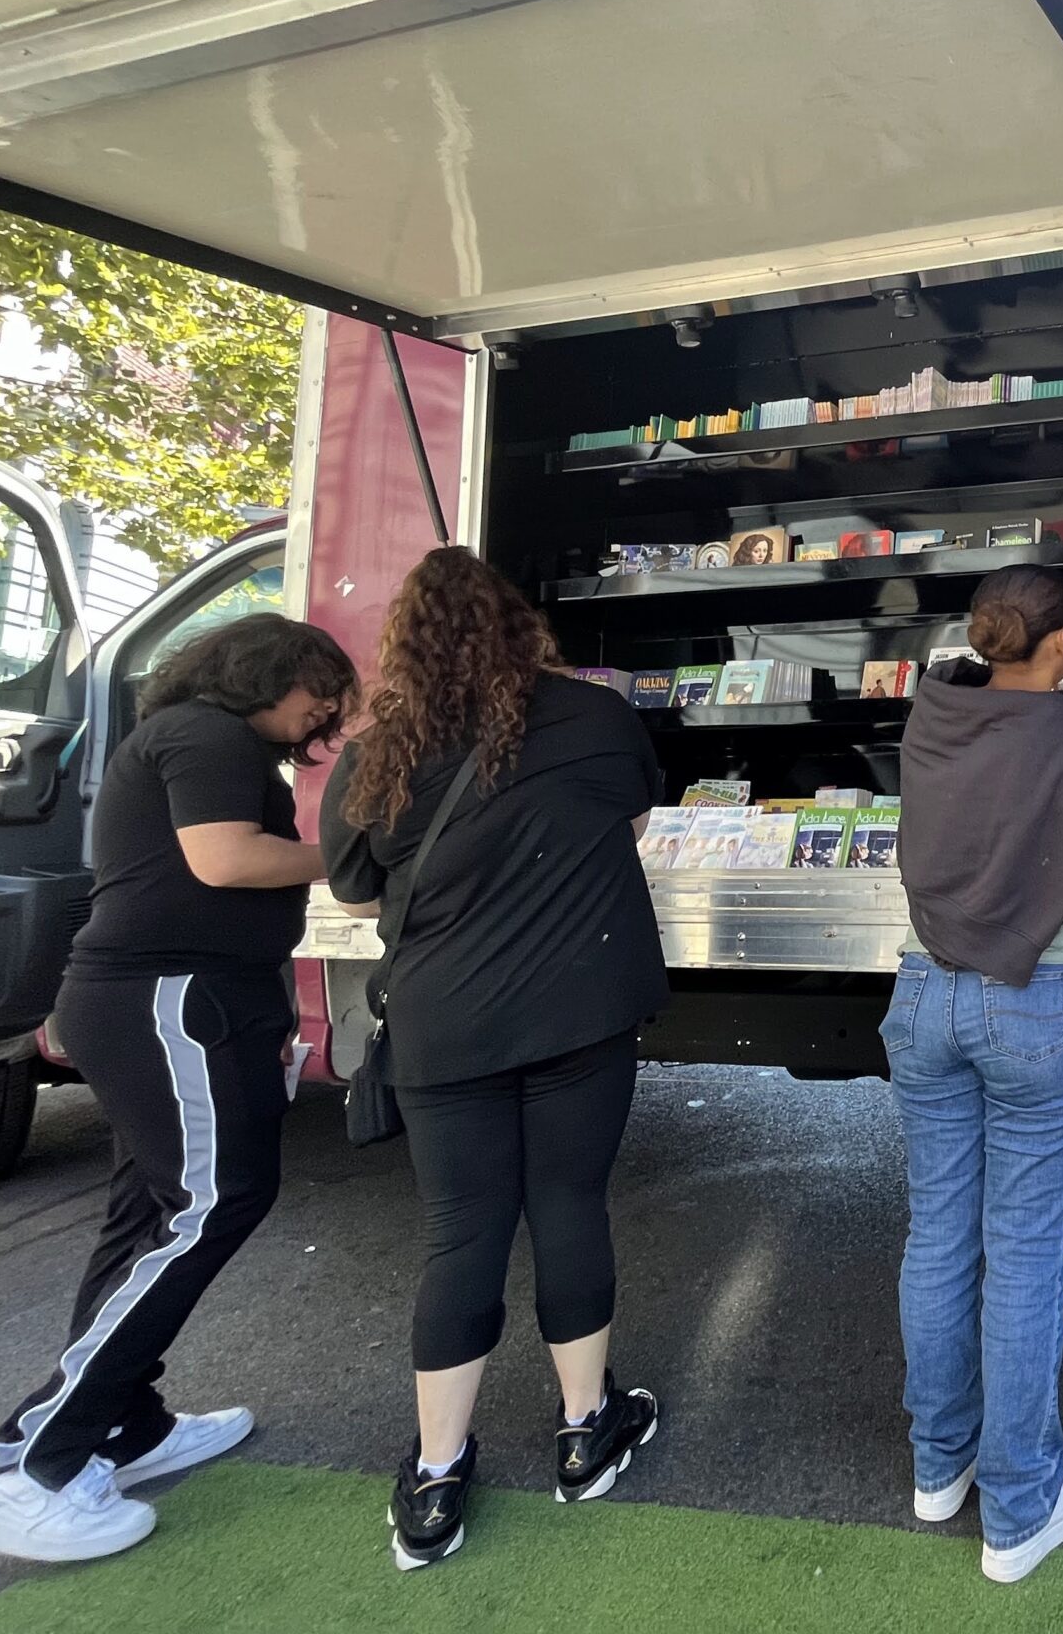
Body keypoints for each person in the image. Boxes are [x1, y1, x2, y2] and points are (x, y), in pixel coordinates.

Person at [0, 616, 358, 1563]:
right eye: (324, 688)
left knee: (147, 1212)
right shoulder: (209, 735)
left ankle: (124, 1424)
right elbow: (223, 861)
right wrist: (351, 861)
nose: (331, 710)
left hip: (166, 998)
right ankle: (29, 1460)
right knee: (213, 1202)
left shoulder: (199, 741)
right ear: (270, 672)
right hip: (171, 998)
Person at [323, 549, 670, 1571]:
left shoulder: (380, 750)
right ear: (520, 626)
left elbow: (350, 893)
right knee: (568, 1205)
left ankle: (435, 1478)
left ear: (405, 643)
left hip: (444, 1027)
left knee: (459, 1235)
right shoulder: (598, 717)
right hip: (579, 1016)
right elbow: (633, 825)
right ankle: (583, 1430)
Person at [889, 565, 1063, 1583]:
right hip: (1035, 1004)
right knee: (1023, 1254)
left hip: (924, 998)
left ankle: (936, 1470)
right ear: (1059, 642)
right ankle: (1020, 1507)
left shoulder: (932, 719)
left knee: (938, 1237)